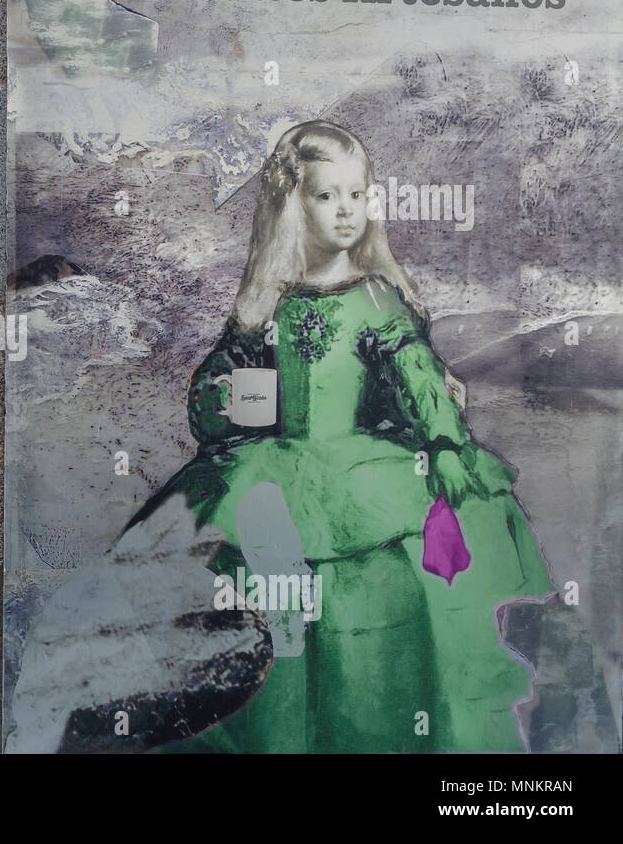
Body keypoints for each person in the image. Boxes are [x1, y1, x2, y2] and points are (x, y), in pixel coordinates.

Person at [127, 120, 558, 753]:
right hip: (274, 474)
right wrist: (255, 399)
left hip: (366, 483)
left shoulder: (377, 298)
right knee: (264, 608)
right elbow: (211, 401)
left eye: (357, 194)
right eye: (327, 196)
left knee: (365, 619)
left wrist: (441, 437)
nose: (346, 211)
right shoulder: (262, 305)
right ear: (292, 205)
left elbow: (415, 375)